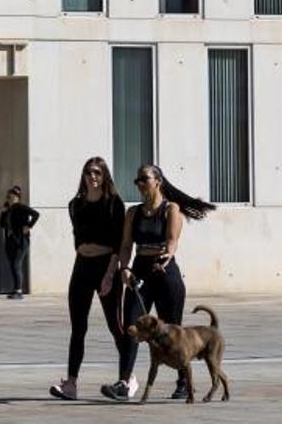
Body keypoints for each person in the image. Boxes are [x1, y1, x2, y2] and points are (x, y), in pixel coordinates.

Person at [101, 163, 215, 402]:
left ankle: (183, 382)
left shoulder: (171, 209)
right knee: (131, 328)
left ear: (158, 181)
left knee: (173, 332)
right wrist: (125, 268)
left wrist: (167, 256)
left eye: (144, 179)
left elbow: (172, 241)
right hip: (139, 271)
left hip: (164, 273)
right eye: (137, 180)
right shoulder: (133, 213)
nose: (140, 184)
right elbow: (125, 245)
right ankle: (124, 382)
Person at [48, 157, 128, 401]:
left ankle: (126, 378)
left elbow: (118, 243)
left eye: (97, 173)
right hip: (82, 266)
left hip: (106, 266)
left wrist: (110, 275)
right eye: (88, 172)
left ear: (105, 176)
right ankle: (71, 384)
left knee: (116, 326)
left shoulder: (114, 204)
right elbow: (77, 239)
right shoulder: (76, 205)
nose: (92, 177)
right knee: (78, 328)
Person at [0, 185, 39, 300]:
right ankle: (16, 289)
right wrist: (3, 212)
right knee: (12, 264)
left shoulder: (21, 207)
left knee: (16, 263)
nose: (10, 199)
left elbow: (36, 214)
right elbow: (2, 225)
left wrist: (29, 226)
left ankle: (19, 291)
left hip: (21, 240)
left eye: (13, 197)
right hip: (10, 239)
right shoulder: (8, 210)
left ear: (17, 198)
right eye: (9, 197)